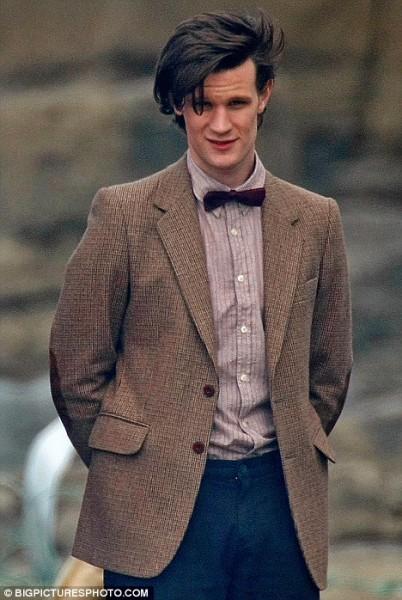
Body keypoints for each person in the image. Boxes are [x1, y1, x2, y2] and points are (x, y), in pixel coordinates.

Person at [49, 10, 352, 600]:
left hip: (282, 504)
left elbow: (330, 370)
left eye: (236, 103)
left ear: (264, 96)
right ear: (179, 106)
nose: (220, 124)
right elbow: (76, 369)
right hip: (152, 507)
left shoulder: (316, 219)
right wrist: (132, 463)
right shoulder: (123, 213)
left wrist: (293, 441)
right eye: (202, 105)